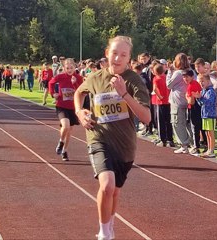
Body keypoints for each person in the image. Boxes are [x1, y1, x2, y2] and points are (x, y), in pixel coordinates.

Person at [74, 36, 151, 240]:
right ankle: (104, 232)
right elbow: (79, 93)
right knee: (107, 185)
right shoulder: (95, 77)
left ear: (129, 59)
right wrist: (79, 111)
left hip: (125, 146)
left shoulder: (134, 81)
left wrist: (124, 94)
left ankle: (110, 223)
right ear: (107, 52)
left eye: (123, 55)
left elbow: (146, 117)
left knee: (115, 191)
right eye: (114, 53)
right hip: (98, 138)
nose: (117, 58)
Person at [49, 58, 82, 161]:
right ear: (64, 68)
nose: (69, 70)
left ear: (75, 67)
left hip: (73, 107)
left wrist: (75, 83)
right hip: (61, 106)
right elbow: (51, 83)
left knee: (69, 131)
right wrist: (53, 94)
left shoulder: (79, 78)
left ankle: (64, 150)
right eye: (67, 68)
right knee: (65, 125)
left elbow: (81, 92)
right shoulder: (60, 76)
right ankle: (61, 142)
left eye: (71, 68)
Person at [167, 53, 193, 153]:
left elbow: (168, 85)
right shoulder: (191, 71)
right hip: (187, 100)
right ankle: (190, 143)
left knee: (177, 123)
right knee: (187, 123)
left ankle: (184, 144)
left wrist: (169, 72)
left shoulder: (178, 73)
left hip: (178, 101)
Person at [192, 74, 216, 158]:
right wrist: (198, 98)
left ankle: (212, 150)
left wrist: (200, 97)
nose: (201, 83)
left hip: (210, 115)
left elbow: (209, 102)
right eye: (200, 81)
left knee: (210, 132)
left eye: (203, 81)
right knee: (206, 133)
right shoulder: (203, 91)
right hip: (204, 115)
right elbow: (201, 103)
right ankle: (209, 149)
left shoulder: (210, 91)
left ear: (208, 81)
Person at [153, 63, 173, 147]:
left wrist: (159, 96)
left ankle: (162, 139)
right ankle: (170, 139)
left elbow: (155, 88)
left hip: (160, 102)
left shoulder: (156, 79)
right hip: (168, 101)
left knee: (160, 121)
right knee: (168, 121)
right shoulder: (166, 78)